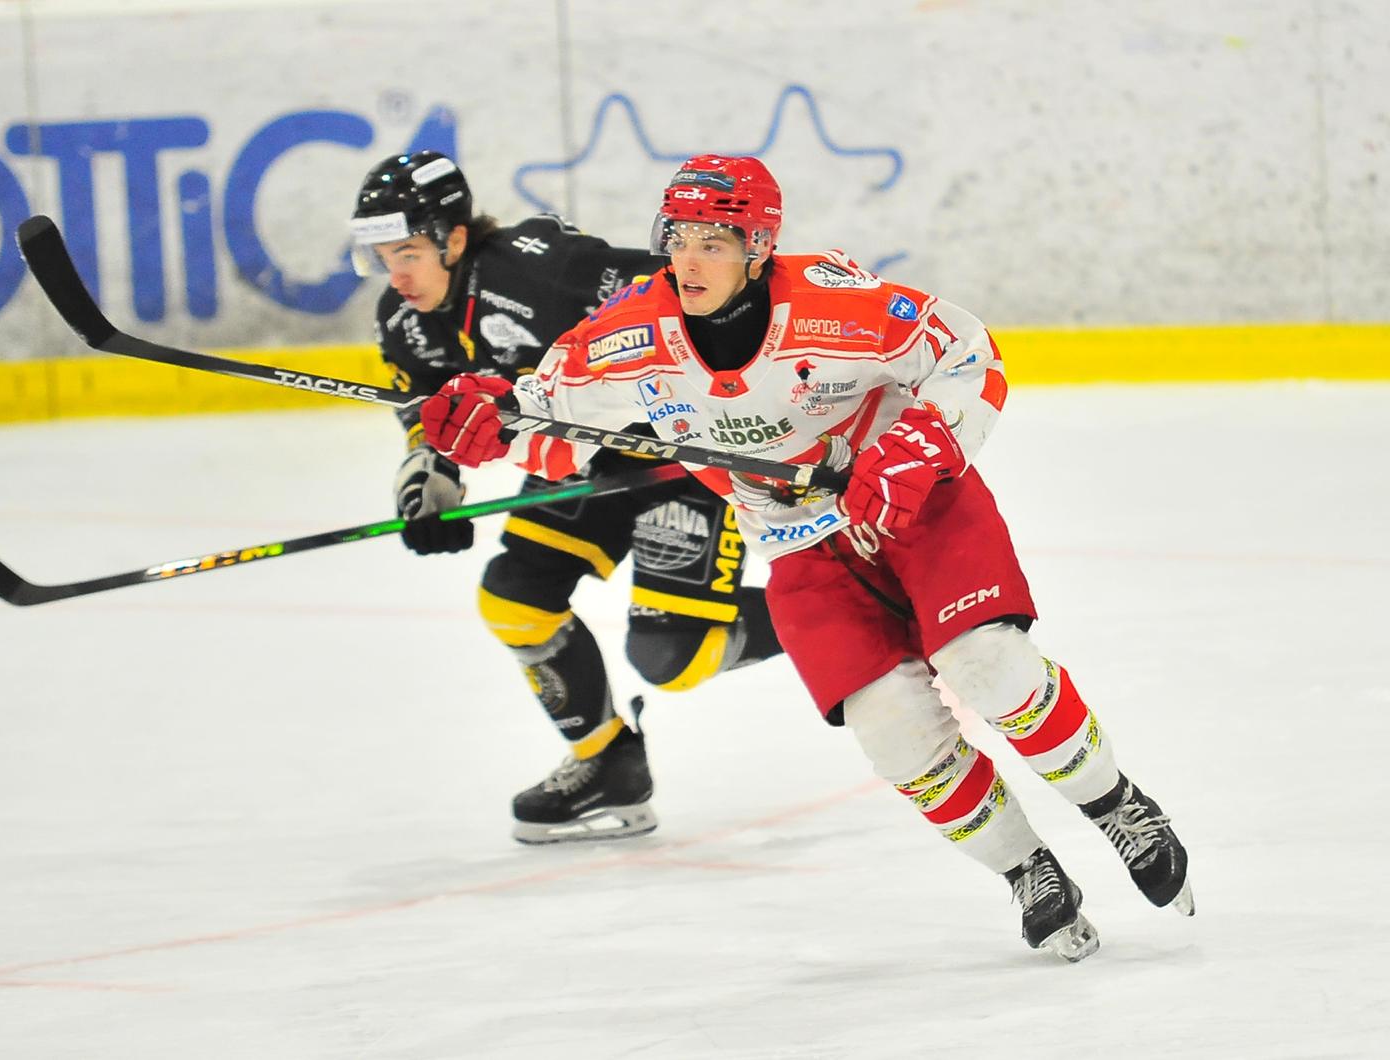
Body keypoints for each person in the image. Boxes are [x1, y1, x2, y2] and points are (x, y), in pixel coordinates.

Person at [415, 154, 1193, 961]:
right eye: (678, 238)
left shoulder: (831, 304)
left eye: (714, 243)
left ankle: (1117, 807)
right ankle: (1026, 869)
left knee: (988, 665)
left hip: (912, 504)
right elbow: (548, 416)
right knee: (891, 729)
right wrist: (490, 421)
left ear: (758, 249)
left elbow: (965, 349)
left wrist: (917, 446)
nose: (688, 261)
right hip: (799, 543)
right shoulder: (631, 333)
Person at [347, 151, 784, 845]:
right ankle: (608, 764)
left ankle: (849, 611)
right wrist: (429, 476)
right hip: (580, 457)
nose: (396, 276)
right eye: (382, 258)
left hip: (679, 454)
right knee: (515, 599)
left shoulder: (541, 269)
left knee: (676, 656)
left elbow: (682, 289)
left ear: (453, 239)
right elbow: (430, 414)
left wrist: (744, 403)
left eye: (408, 254)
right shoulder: (404, 319)